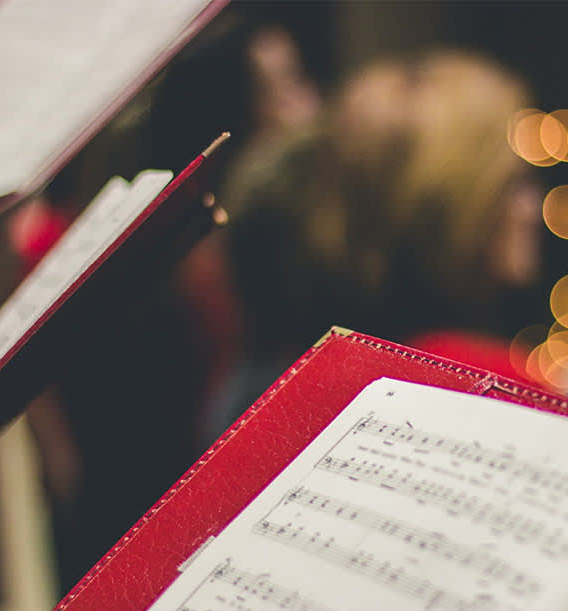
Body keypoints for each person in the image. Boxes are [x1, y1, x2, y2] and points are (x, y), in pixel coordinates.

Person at [204, 50, 544, 438]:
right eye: (514, 183)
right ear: (451, 206)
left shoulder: (301, 385)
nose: (532, 208)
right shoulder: (492, 383)